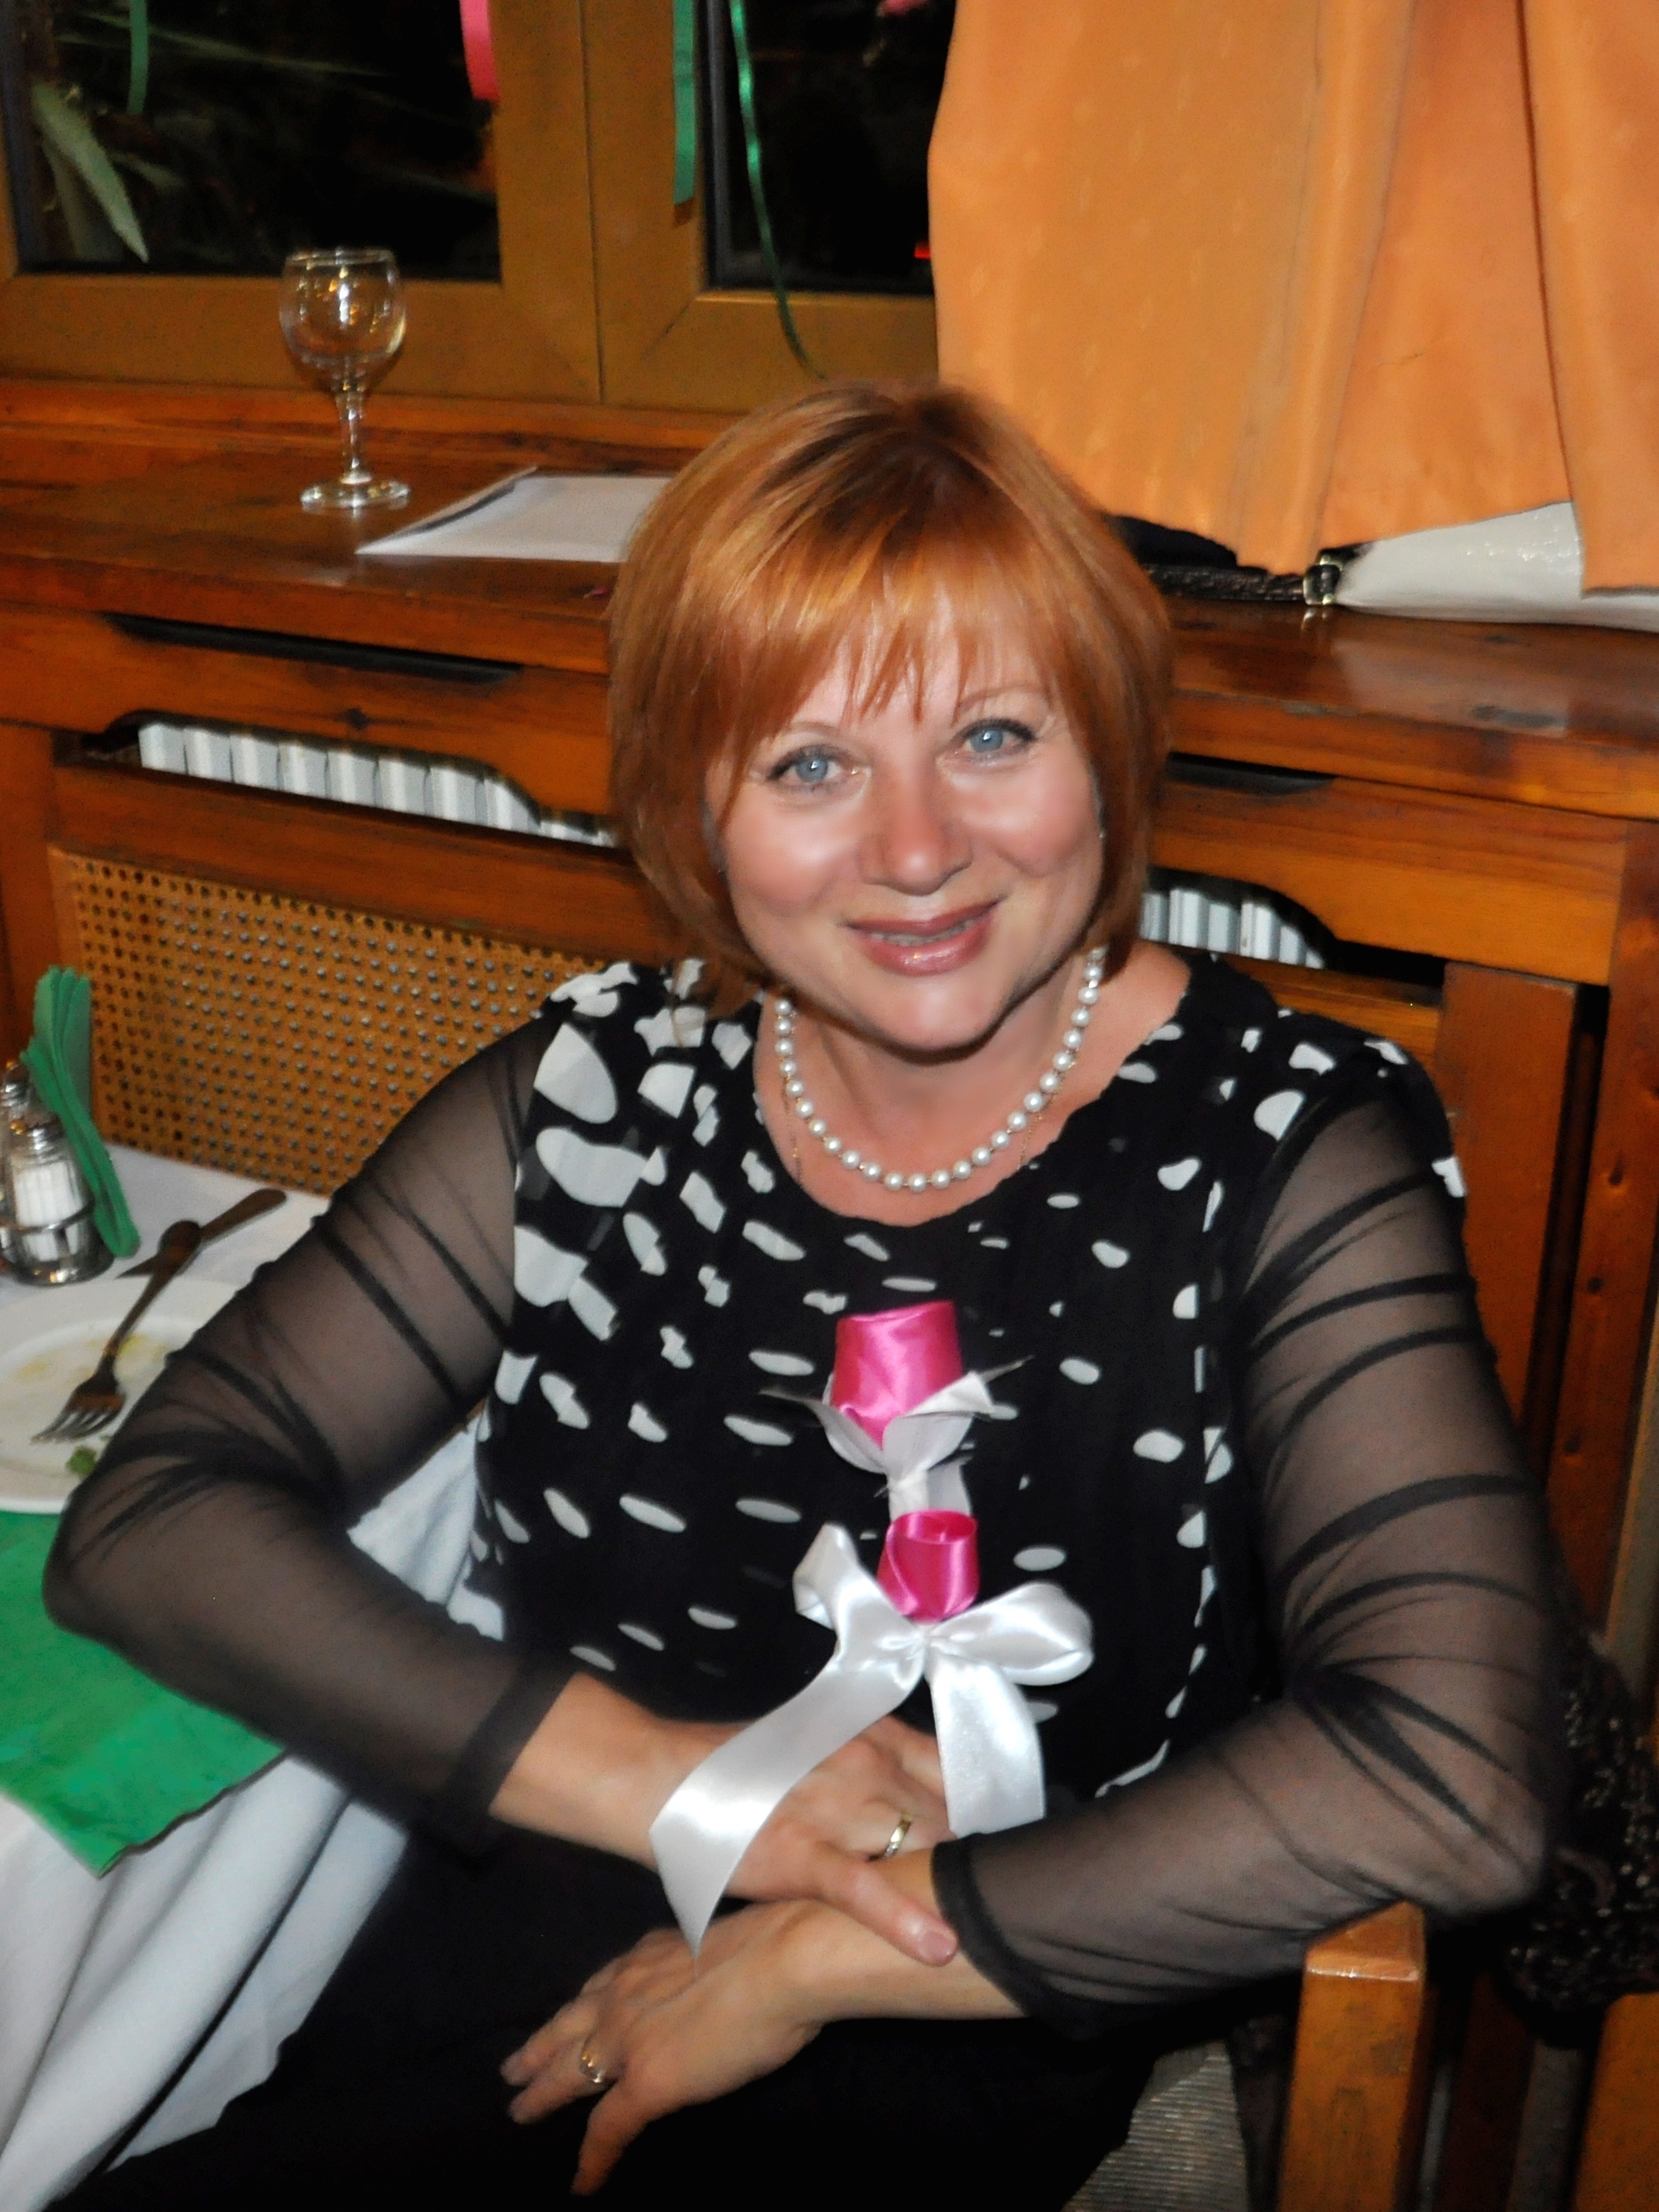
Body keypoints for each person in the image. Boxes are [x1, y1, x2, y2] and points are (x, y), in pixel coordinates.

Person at [47, 382, 1563, 2210]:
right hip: (514, 1963)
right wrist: (673, 1784)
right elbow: (150, 1519)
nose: (915, 850)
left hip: (970, 1994)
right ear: (693, 809)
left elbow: (1456, 1771)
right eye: (809, 766)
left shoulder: (1281, 1148)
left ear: (1109, 749)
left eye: (992, 734)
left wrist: (815, 1953)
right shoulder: (602, 1098)